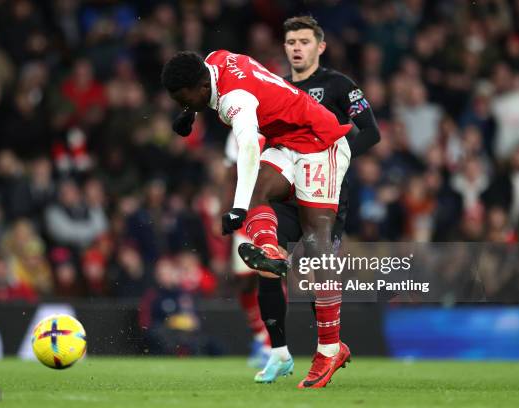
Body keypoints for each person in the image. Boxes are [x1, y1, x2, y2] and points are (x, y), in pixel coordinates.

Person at [161, 17, 376, 387]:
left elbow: (246, 147)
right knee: (262, 192)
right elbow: (206, 90)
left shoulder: (234, 102)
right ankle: (270, 250)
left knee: (316, 241)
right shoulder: (214, 59)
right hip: (287, 141)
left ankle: (329, 350)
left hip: (320, 141)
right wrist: (189, 114)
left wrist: (238, 208)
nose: (186, 103)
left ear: (199, 86)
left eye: (186, 99)